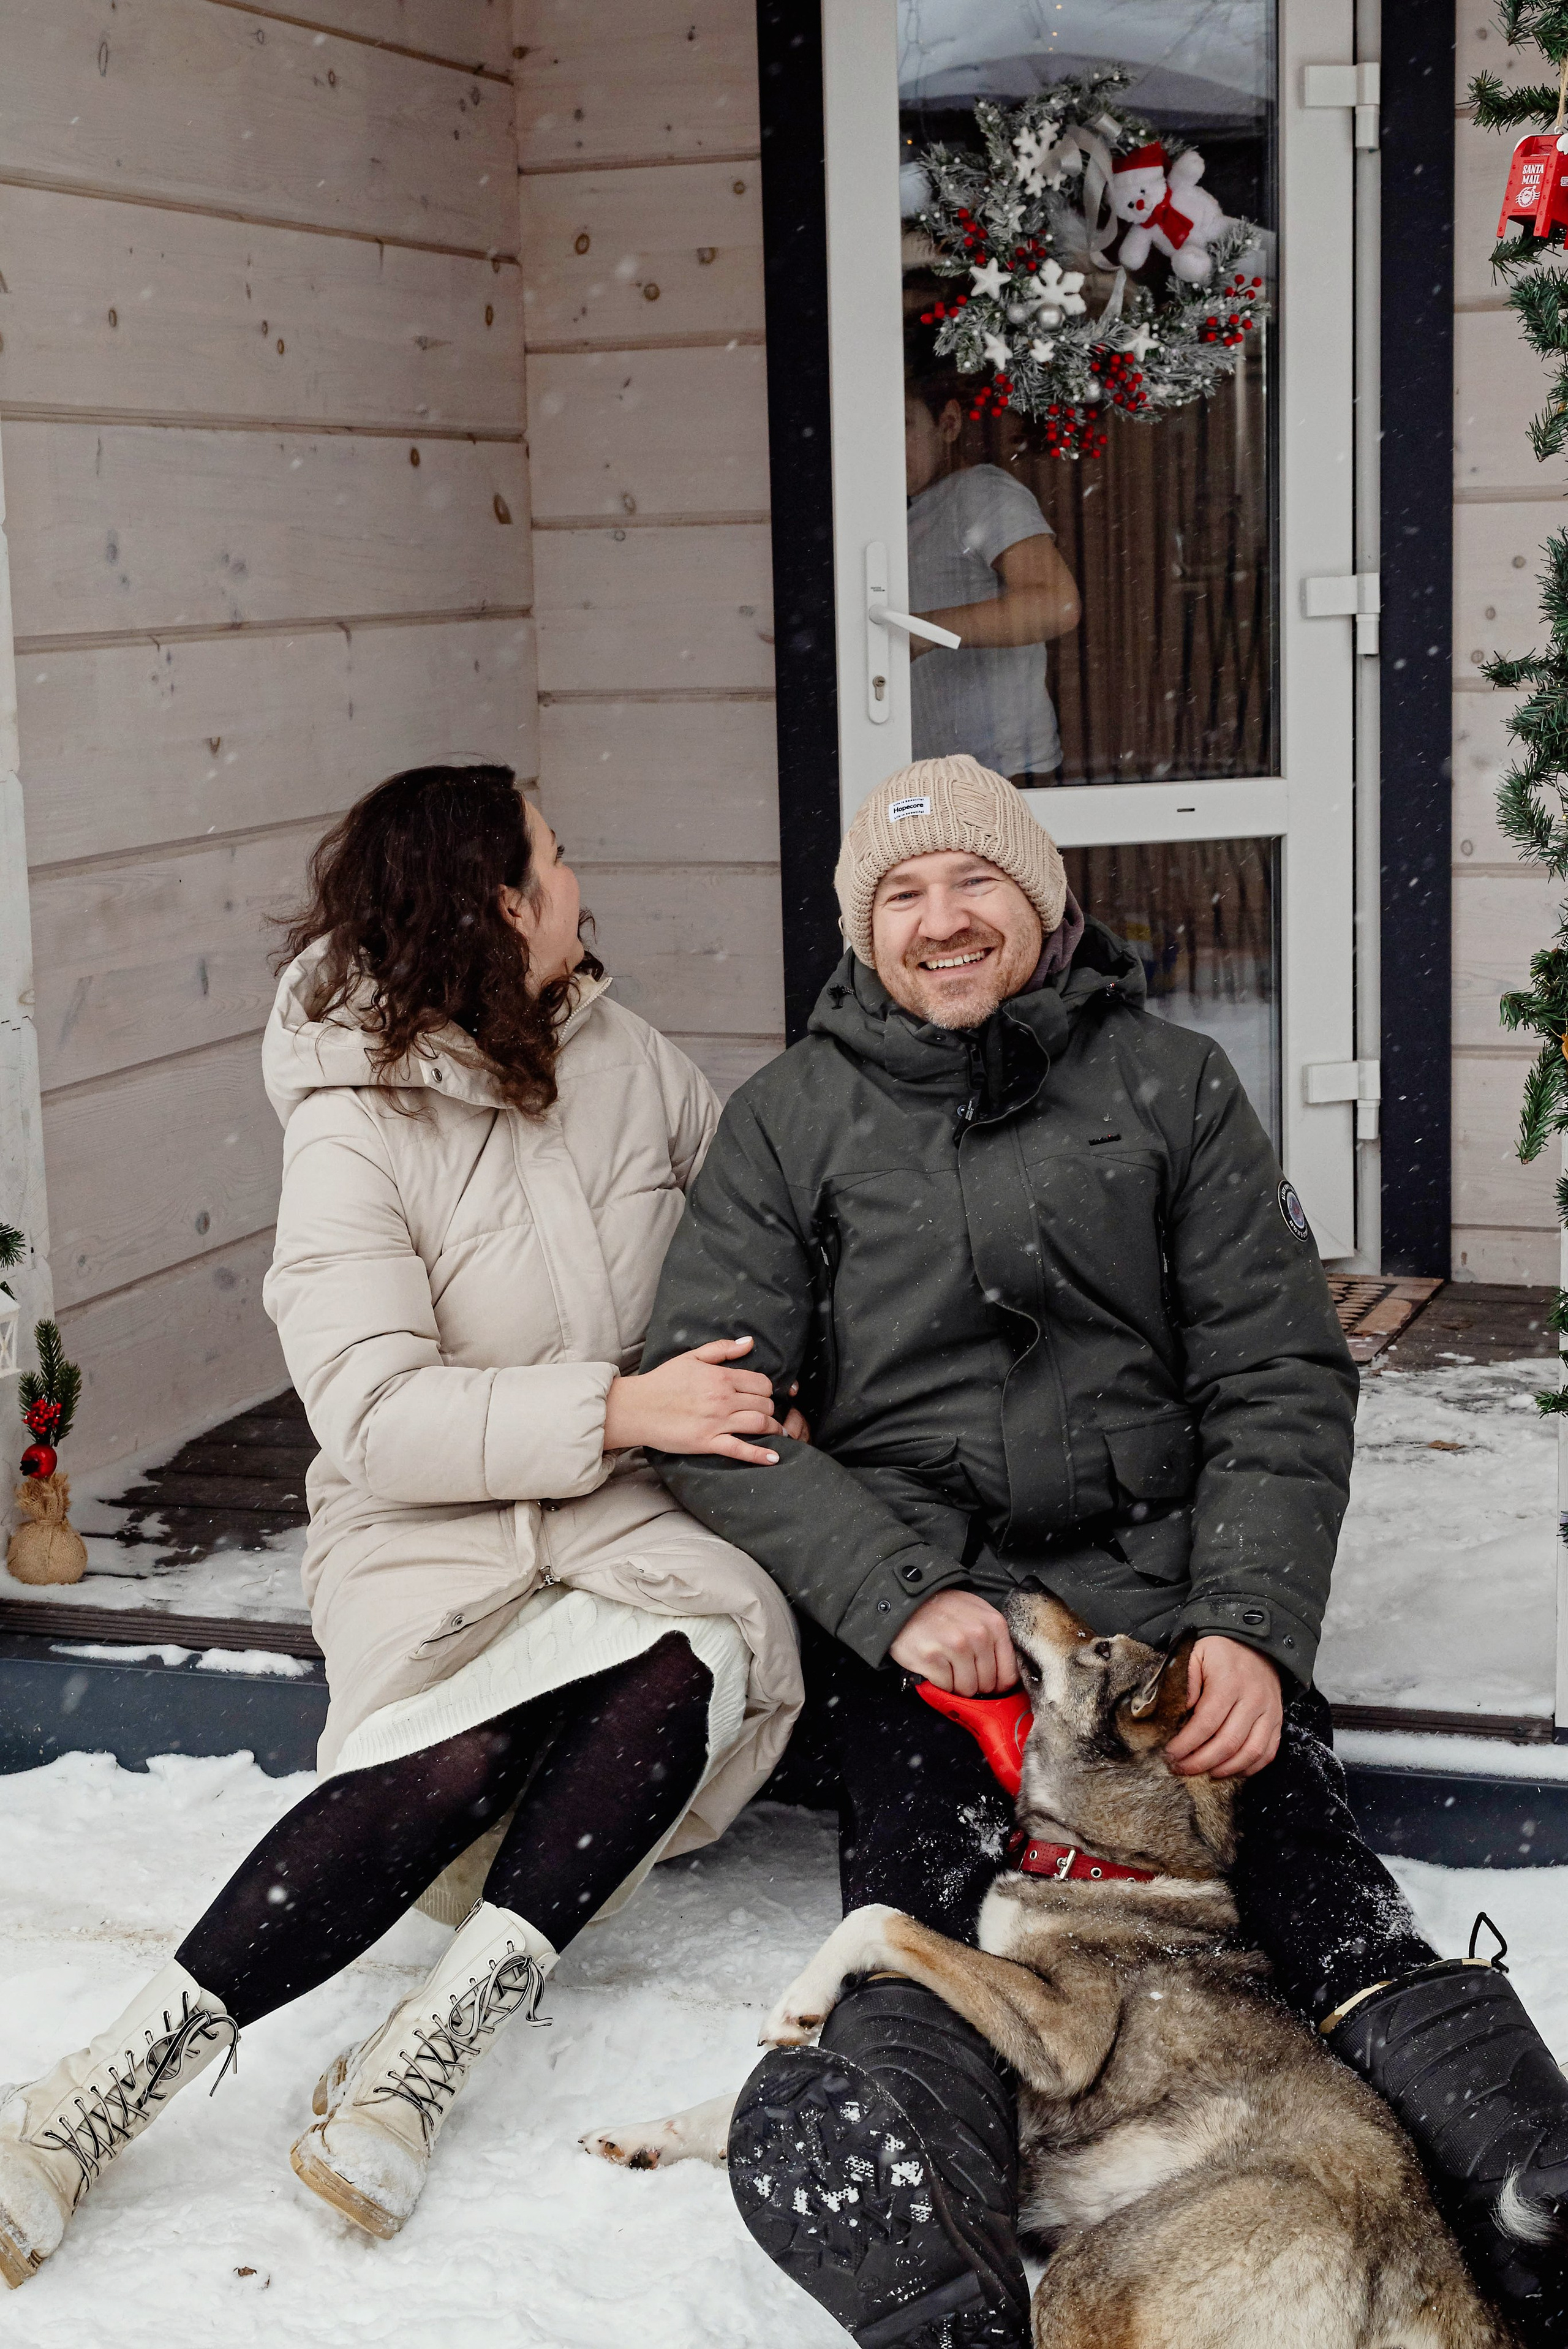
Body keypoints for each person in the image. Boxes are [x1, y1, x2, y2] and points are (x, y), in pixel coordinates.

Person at [641, 755, 1568, 2349]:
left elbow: (1278, 1373)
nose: (943, 920)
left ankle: (1534, 2197)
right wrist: (894, 1592)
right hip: (933, 1626)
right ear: (866, 932)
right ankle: (935, 2274)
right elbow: (705, 1407)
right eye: (904, 895)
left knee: (1310, 1875)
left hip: (1153, 1625)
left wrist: (1251, 1629)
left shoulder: (1171, 1084)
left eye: (975, 883)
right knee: (925, 1892)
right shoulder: (790, 1121)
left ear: (1041, 900)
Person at [0, 763, 802, 2288]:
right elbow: (374, 1414)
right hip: (427, 1526)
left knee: (694, 1640)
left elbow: (756, 1238)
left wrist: (780, 1371)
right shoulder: (349, 1121)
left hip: (625, 1512)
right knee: (465, 1742)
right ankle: (84, 2098)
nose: (580, 875)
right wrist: (619, 1405)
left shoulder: (629, 1057)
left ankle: (432, 2037)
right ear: (500, 904)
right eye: (555, 857)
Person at [905, 368, 1080, 782]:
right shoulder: (912, 510)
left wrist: (926, 631)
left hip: (1002, 772)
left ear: (948, 423)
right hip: (942, 776)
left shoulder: (980, 491)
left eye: (900, 425)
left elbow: (1057, 603)